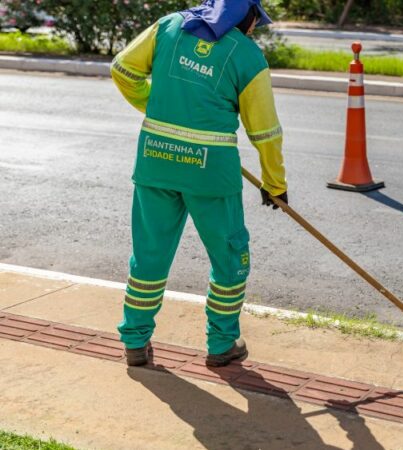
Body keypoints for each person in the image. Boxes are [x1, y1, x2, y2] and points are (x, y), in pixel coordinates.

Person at [110, 0, 287, 367]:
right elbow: (265, 132)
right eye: (256, 21)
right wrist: (274, 183)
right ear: (247, 15)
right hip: (210, 176)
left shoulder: (169, 27)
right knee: (229, 259)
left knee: (149, 256)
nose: (255, 29)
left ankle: (134, 342)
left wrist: (156, 105)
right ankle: (222, 344)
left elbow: (123, 68)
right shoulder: (248, 57)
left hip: (155, 162)